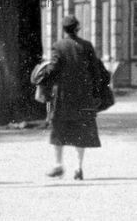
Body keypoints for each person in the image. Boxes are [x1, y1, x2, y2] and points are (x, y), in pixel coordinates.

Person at [45, 15, 106, 181]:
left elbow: (53, 69)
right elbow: (96, 72)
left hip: (63, 96)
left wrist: (43, 77)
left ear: (64, 29)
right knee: (82, 131)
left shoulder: (59, 46)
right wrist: (95, 93)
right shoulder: (87, 46)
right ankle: (78, 168)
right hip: (84, 97)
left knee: (58, 129)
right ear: (77, 28)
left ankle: (58, 165)